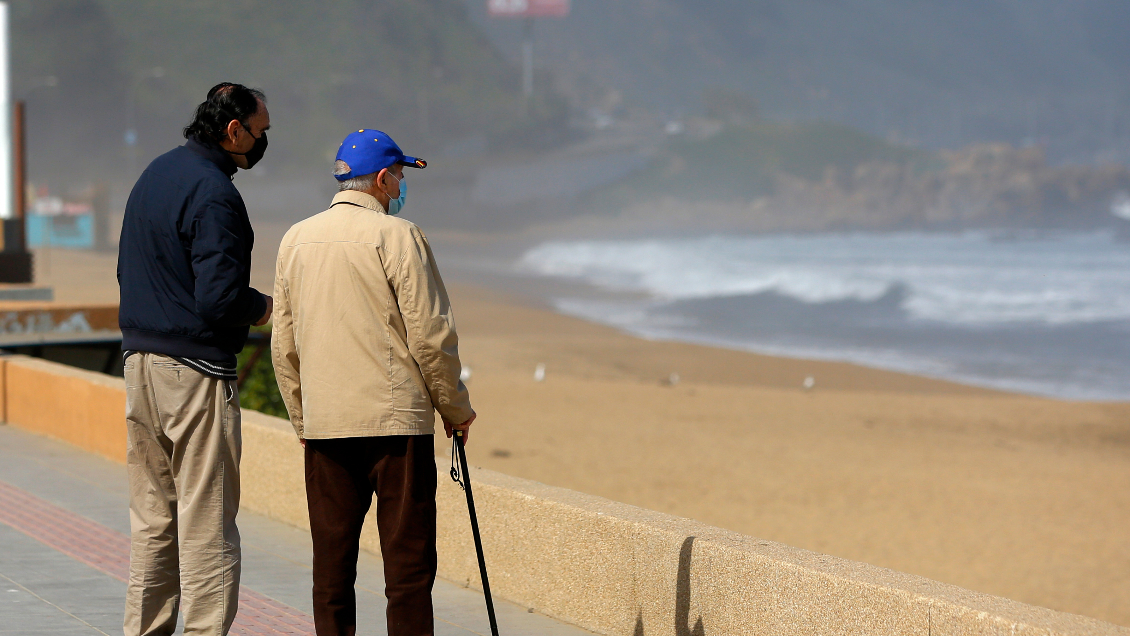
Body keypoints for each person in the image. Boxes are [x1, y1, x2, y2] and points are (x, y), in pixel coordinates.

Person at [271, 129, 476, 636]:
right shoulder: (399, 236)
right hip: (395, 429)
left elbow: (284, 347)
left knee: (332, 570)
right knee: (406, 572)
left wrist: (303, 419)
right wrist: (455, 410)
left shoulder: (295, 239)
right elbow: (431, 336)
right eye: (401, 177)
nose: (403, 187)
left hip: (326, 428)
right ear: (383, 179)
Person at [117, 82, 273, 636]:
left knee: (153, 523)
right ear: (233, 131)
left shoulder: (154, 175)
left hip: (139, 366)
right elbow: (220, 296)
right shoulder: (215, 194)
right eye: (261, 132)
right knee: (207, 526)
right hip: (195, 374)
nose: (263, 142)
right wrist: (263, 308)